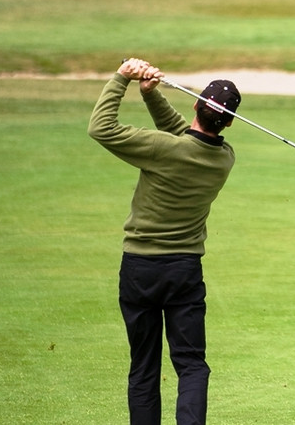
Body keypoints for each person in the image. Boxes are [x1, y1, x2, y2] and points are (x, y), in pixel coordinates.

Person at [88, 58, 241, 425]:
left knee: (144, 367)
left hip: (140, 268)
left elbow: (100, 127)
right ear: (230, 121)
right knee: (191, 366)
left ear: (196, 104)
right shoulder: (224, 159)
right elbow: (186, 138)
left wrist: (122, 78)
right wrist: (151, 96)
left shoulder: (160, 149)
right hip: (184, 271)